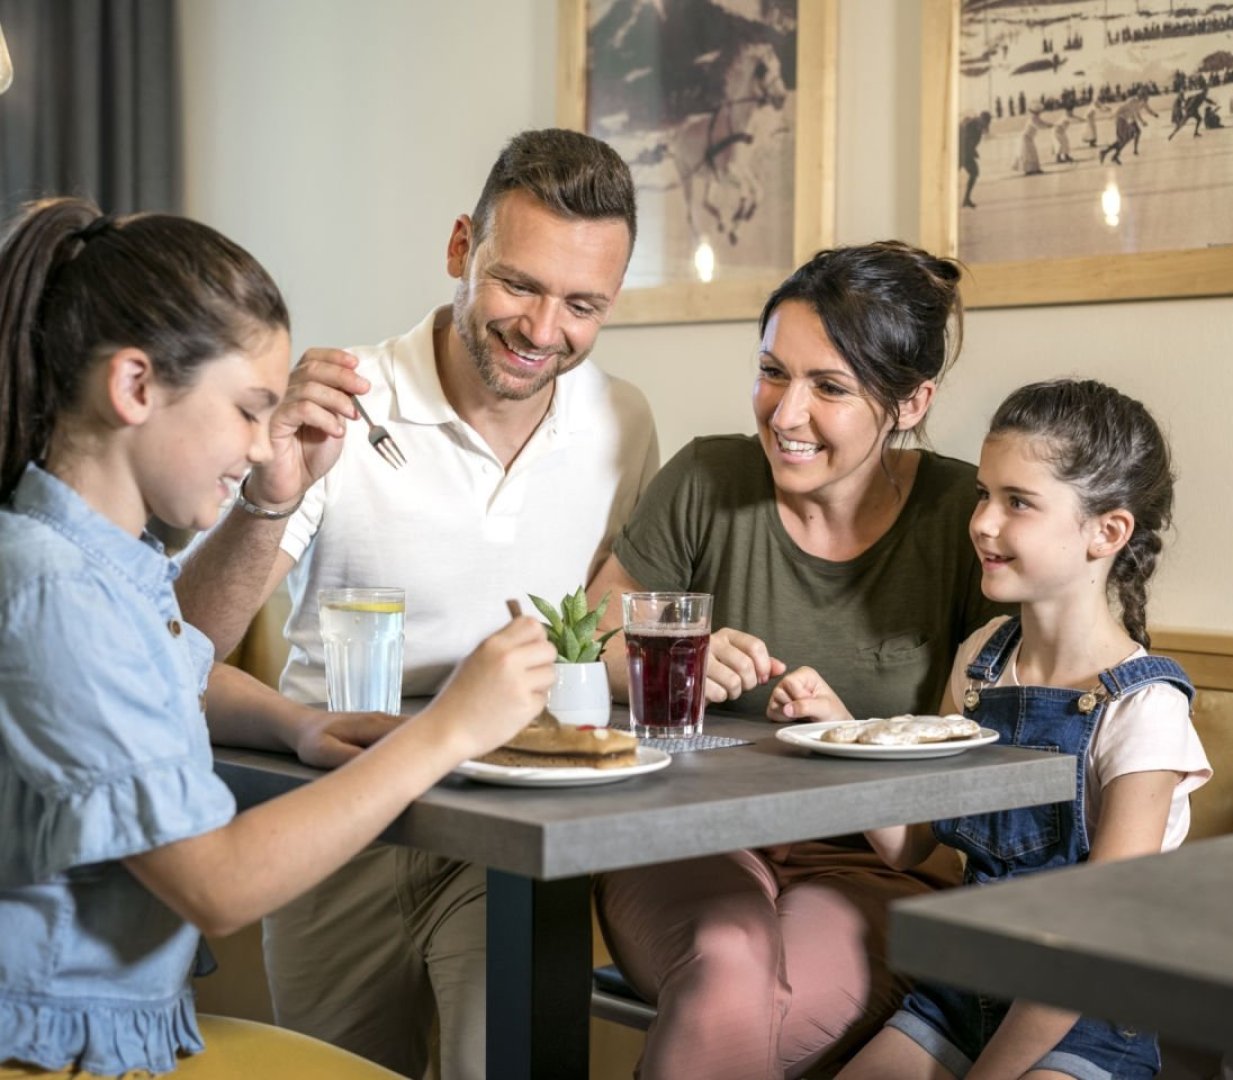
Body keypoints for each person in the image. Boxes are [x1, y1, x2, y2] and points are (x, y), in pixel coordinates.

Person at [0, 198, 557, 1077]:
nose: (263, 446)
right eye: (248, 410)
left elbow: (177, 671)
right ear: (136, 387)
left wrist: (300, 727)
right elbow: (218, 886)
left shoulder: (104, 562)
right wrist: (451, 726)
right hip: (53, 1054)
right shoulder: (50, 589)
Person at [173, 129, 659, 1078]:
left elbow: (603, 639)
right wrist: (268, 498)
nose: (543, 328)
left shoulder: (624, 420)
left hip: (507, 833)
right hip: (341, 819)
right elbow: (178, 648)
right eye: (518, 284)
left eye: (583, 304)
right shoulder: (342, 399)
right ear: (458, 252)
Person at [587, 241, 1008, 1079]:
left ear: (912, 400)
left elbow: (998, 742)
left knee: (737, 1009)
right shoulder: (707, 479)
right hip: (684, 839)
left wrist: (859, 733)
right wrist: (665, 656)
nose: (783, 413)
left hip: (872, 866)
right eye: (772, 371)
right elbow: (591, 634)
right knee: (725, 965)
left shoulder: (967, 519)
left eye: (829, 387)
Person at [775, 378, 1211, 1080]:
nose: (982, 521)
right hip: (962, 993)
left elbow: (1090, 941)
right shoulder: (982, 660)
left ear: (1108, 531)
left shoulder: (1145, 706)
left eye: (1018, 502)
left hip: (1084, 1014)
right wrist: (846, 732)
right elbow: (910, 844)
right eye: (984, 493)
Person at [1097, 94, 1159, 165]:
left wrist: (1151, 116)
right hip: (1120, 119)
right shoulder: (1133, 101)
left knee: (1126, 139)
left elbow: (1140, 111)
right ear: (1142, 98)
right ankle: (1106, 153)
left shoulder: (1140, 103)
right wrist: (1142, 122)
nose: (1146, 101)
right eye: (1145, 99)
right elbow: (1128, 110)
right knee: (1123, 139)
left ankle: (1110, 154)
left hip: (1125, 120)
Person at [959, 111, 992, 208]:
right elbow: (964, 140)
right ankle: (965, 199)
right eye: (986, 122)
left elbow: (971, 141)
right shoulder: (971, 124)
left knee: (974, 173)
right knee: (973, 173)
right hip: (961, 154)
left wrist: (973, 151)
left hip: (966, 154)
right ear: (982, 119)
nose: (986, 125)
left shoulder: (978, 125)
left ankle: (966, 199)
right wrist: (971, 151)